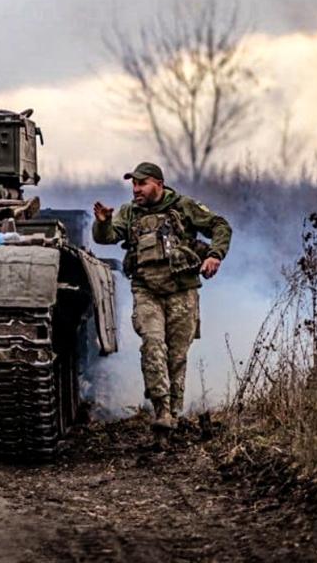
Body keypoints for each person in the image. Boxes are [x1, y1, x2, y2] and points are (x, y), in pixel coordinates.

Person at [92, 162, 232, 431]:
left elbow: (220, 226)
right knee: (153, 345)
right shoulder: (129, 213)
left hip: (182, 290)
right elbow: (107, 237)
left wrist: (215, 255)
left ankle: (175, 413)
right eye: (133, 184)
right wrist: (103, 223)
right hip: (146, 290)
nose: (136, 189)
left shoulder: (183, 206)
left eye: (141, 184)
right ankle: (162, 412)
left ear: (158, 183)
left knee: (176, 356)